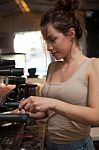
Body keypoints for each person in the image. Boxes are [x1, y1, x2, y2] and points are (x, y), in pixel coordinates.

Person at [17, 0, 99, 149]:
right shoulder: (52, 67)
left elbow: (96, 116)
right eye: (46, 41)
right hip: (50, 144)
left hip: (78, 146)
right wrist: (28, 112)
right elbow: (48, 112)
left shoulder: (93, 65)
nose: (49, 47)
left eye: (53, 40)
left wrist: (53, 103)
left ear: (71, 34)